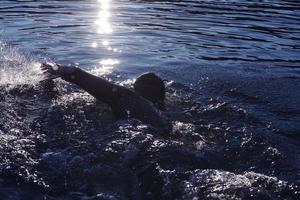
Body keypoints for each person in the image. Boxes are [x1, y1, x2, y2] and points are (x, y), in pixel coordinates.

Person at [41, 63, 171, 133]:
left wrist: (70, 72)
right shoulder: (164, 115)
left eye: (134, 89)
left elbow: (112, 92)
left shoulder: (141, 104)